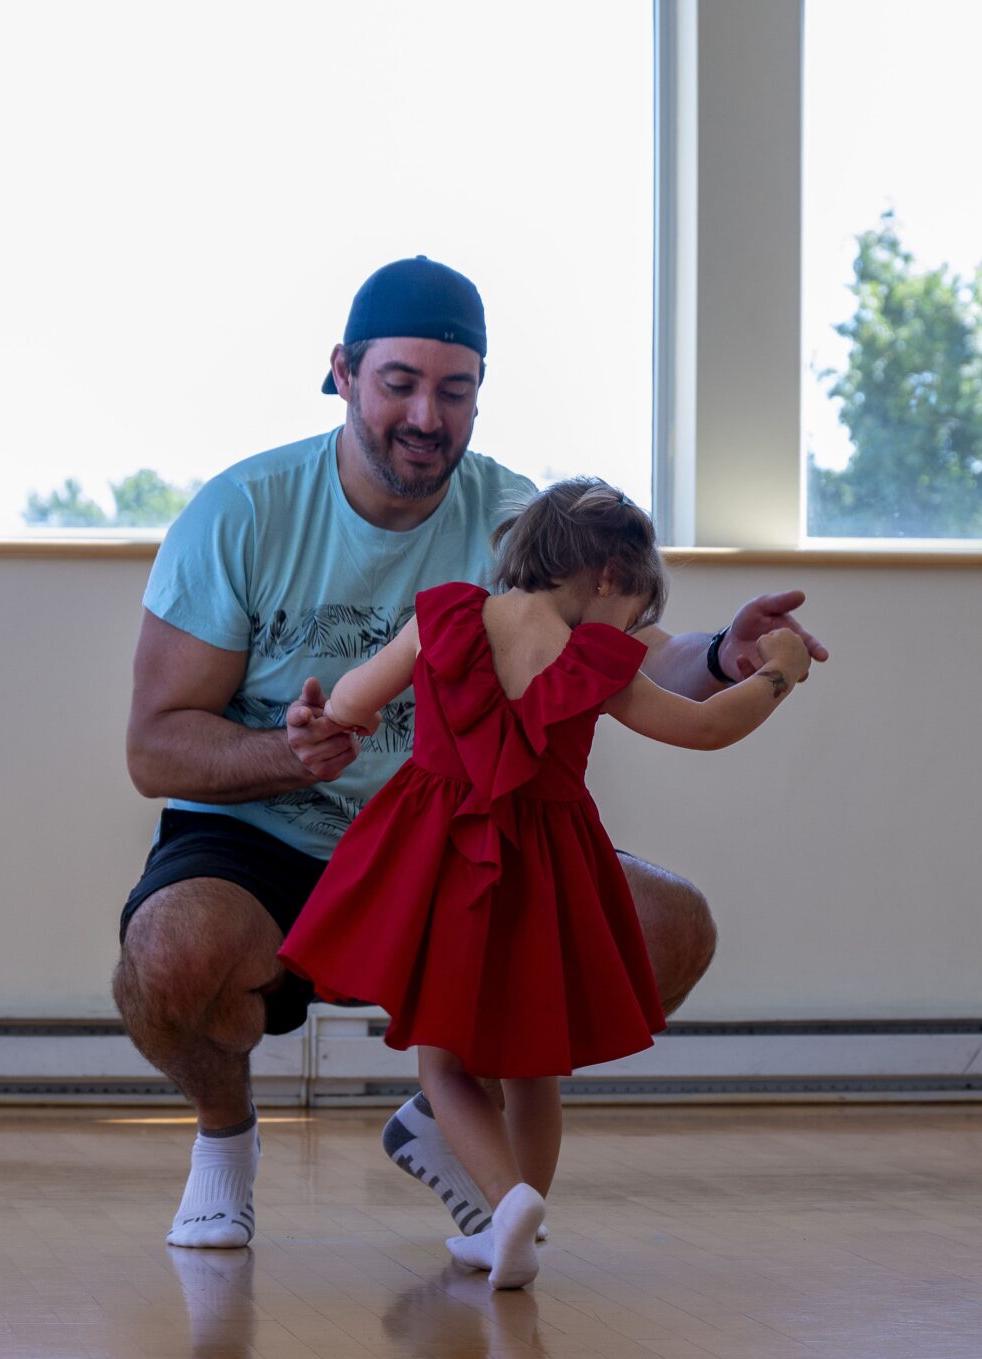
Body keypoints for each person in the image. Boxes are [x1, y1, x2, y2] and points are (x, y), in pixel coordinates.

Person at [115, 255, 830, 1250]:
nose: (425, 414)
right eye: (400, 383)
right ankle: (226, 1142)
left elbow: (626, 659)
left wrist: (727, 653)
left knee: (671, 926)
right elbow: (156, 750)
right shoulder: (243, 513)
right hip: (265, 845)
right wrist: (294, 755)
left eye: (454, 391)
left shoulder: (517, 517)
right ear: (344, 373)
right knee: (170, 952)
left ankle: (454, 1123)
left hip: (458, 847)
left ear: (479, 397)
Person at [277, 478, 814, 1288]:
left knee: (446, 1065)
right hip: (549, 870)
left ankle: (506, 1206)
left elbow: (352, 701)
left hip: (441, 857)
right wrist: (780, 673)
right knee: (534, 1062)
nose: (630, 625)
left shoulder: (447, 617)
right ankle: (522, 1219)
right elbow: (705, 727)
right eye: (632, 605)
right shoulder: (594, 663)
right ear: (605, 574)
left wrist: (331, 722)